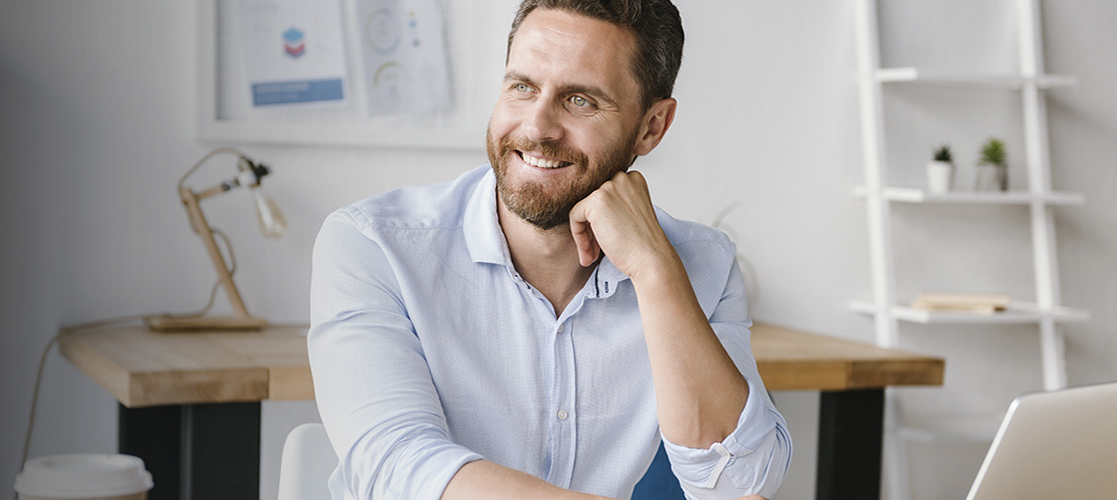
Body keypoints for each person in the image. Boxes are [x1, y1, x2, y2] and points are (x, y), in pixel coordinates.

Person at [307, 1, 790, 499]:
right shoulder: (374, 246)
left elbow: (737, 485)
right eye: (522, 87)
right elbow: (397, 468)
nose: (537, 128)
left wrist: (655, 271)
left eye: (580, 100)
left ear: (651, 127)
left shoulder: (702, 264)